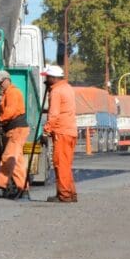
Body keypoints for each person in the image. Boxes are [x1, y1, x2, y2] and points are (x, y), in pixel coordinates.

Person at [0, 70, 29, 199]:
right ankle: (23, 190)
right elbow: (6, 109)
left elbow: (11, 111)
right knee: (17, 161)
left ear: (7, 80)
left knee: (7, 157)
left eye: (0, 83)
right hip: (16, 129)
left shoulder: (13, 92)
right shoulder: (8, 93)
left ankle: (0, 187)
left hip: (16, 130)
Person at [41, 64, 77, 202]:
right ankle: (70, 192)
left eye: (48, 77)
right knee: (66, 164)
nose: (46, 80)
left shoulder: (56, 92)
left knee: (60, 164)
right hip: (70, 131)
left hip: (61, 132)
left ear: (53, 78)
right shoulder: (67, 88)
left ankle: (64, 195)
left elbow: (54, 114)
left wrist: (46, 131)